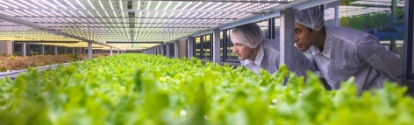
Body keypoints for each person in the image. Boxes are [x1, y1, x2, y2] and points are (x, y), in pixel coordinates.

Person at [294, 6, 402, 92]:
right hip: (350, 107)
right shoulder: (313, 46)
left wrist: (376, 94)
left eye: (298, 31)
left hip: (374, 105)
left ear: (315, 26)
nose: (294, 38)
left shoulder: (358, 44)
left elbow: (394, 65)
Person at [231, 23, 314, 76]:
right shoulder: (245, 57)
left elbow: (300, 83)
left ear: (254, 42)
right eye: (233, 44)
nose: (234, 50)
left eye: (239, 44)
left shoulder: (279, 55)